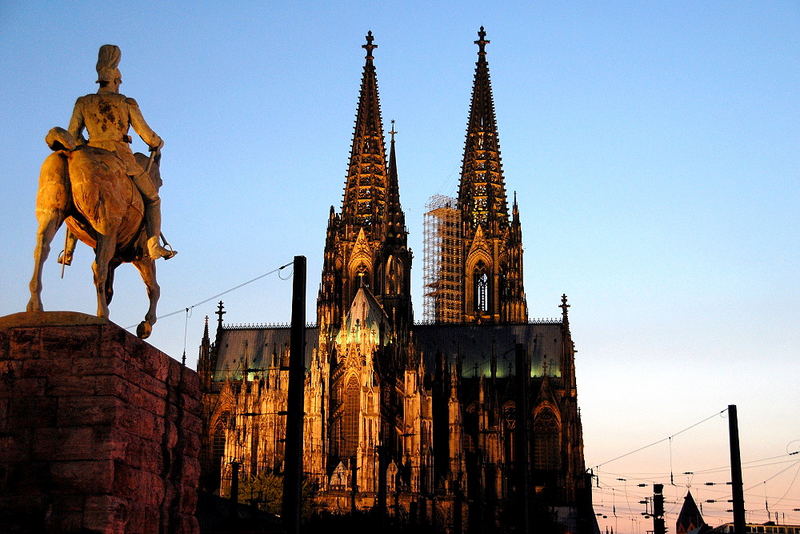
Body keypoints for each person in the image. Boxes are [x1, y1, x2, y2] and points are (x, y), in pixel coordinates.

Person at [66, 44, 176, 261]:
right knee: (153, 199)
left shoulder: (83, 102)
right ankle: (154, 245)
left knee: (74, 190)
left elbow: (72, 136)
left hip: (90, 152)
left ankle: (68, 250)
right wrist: (158, 142)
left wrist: (84, 147)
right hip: (122, 159)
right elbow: (146, 134)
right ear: (116, 81)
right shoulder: (125, 102)